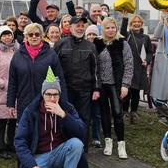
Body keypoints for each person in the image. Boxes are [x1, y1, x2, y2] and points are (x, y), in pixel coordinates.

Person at [15, 68, 87, 168]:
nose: (52, 99)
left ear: (60, 95)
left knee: (76, 144)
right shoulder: (31, 111)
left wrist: (64, 116)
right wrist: (32, 166)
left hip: (60, 152)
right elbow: (20, 141)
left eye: (56, 95)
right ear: (42, 94)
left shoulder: (67, 108)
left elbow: (82, 132)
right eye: (48, 94)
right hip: (38, 156)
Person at [54, 15, 100, 151]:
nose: (80, 28)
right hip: (65, 89)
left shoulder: (91, 46)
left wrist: (97, 89)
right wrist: (53, 87)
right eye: (77, 25)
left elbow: (96, 69)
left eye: (82, 26)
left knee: (84, 118)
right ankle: (64, 146)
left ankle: (82, 148)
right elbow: (52, 67)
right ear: (70, 27)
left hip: (85, 90)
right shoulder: (60, 44)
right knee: (64, 117)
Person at [7, 23, 68, 121]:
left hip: (45, 101)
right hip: (24, 100)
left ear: (42, 36)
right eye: (31, 35)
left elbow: (60, 79)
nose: (34, 37)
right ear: (26, 36)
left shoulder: (51, 54)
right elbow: (13, 82)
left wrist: (64, 102)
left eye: (37, 34)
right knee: (25, 131)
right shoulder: (17, 55)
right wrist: (10, 104)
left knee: (43, 132)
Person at [93, 17, 133, 159]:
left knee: (117, 113)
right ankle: (108, 142)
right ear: (103, 29)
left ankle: (121, 144)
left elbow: (129, 65)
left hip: (116, 84)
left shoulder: (122, 43)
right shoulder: (97, 43)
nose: (110, 30)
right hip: (102, 84)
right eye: (107, 28)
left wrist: (125, 85)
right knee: (104, 114)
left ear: (116, 28)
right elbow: (93, 65)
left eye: (113, 27)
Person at [0, 26, 18, 160]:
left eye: (9, 35)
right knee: (1, 121)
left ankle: (10, 144)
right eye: (4, 35)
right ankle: (1, 147)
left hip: (16, 90)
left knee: (13, 119)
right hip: (2, 90)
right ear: (0, 37)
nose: (7, 37)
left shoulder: (16, 50)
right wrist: (3, 84)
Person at [121, 14, 154, 123]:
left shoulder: (146, 37)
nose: (137, 23)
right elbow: (121, 33)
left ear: (141, 24)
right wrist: (124, 19)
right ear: (131, 24)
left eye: (139, 22)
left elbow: (150, 51)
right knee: (127, 91)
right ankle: (125, 112)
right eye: (134, 22)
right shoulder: (127, 35)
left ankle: (134, 112)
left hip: (140, 68)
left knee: (136, 92)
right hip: (128, 67)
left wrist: (147, 60)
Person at [85, 24, 102, 147]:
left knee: (96, 113)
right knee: (85, 112)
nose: (91, 37)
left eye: (94, 34)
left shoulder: (101, 48)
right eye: (89, 34)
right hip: (85, 84)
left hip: (97, 84)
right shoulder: (84, 47)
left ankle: (96, 136)